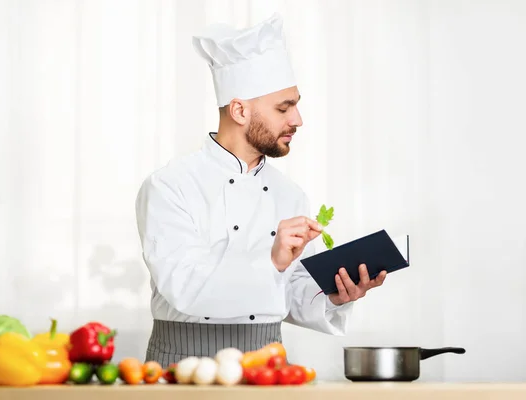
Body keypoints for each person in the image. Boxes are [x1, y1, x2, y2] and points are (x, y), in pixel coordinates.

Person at [135, 13, 386, 368]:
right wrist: (271, 260)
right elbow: (183, 287)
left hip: (268, 364)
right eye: (284, 108)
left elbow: (289, 293)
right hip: (183, 361)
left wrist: (335, 296)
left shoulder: (290, 194)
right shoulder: (169, 186)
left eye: (296, 104)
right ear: (239, 110)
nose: (298, 120)